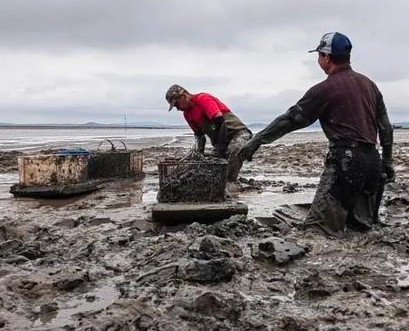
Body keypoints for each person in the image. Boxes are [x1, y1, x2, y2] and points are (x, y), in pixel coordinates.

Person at [238, 31, 394, 235]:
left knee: (317, 231)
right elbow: (386, 128)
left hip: (346, 164)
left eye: (319, 55)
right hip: (373, 162)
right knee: (361, 229)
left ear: (326, 57)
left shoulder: (325, 89)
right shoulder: (369, 85)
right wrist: (387, 162)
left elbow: (289, 120)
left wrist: (256, 141)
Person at [165, 85, 252, 182]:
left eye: (176, 104)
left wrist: (221, 147)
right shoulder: (187, 114)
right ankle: (221, 179)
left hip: (239, 133)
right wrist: (199, 155)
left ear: (183, 97)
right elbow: (199, 136)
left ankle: (229, 182)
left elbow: (220, 122)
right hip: (221, 140)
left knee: (235, 150)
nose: (177, 108)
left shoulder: (202, 99)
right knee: (210, 160)